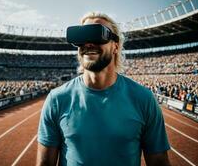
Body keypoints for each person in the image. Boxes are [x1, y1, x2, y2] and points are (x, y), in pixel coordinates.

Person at [36, 12, 171, 166]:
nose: (88, 43)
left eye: (97, 34)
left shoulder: (144, 99)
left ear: (116, 45)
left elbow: (159, 162)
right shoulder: (57, 99)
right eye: (82, 37)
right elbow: (45, 163)